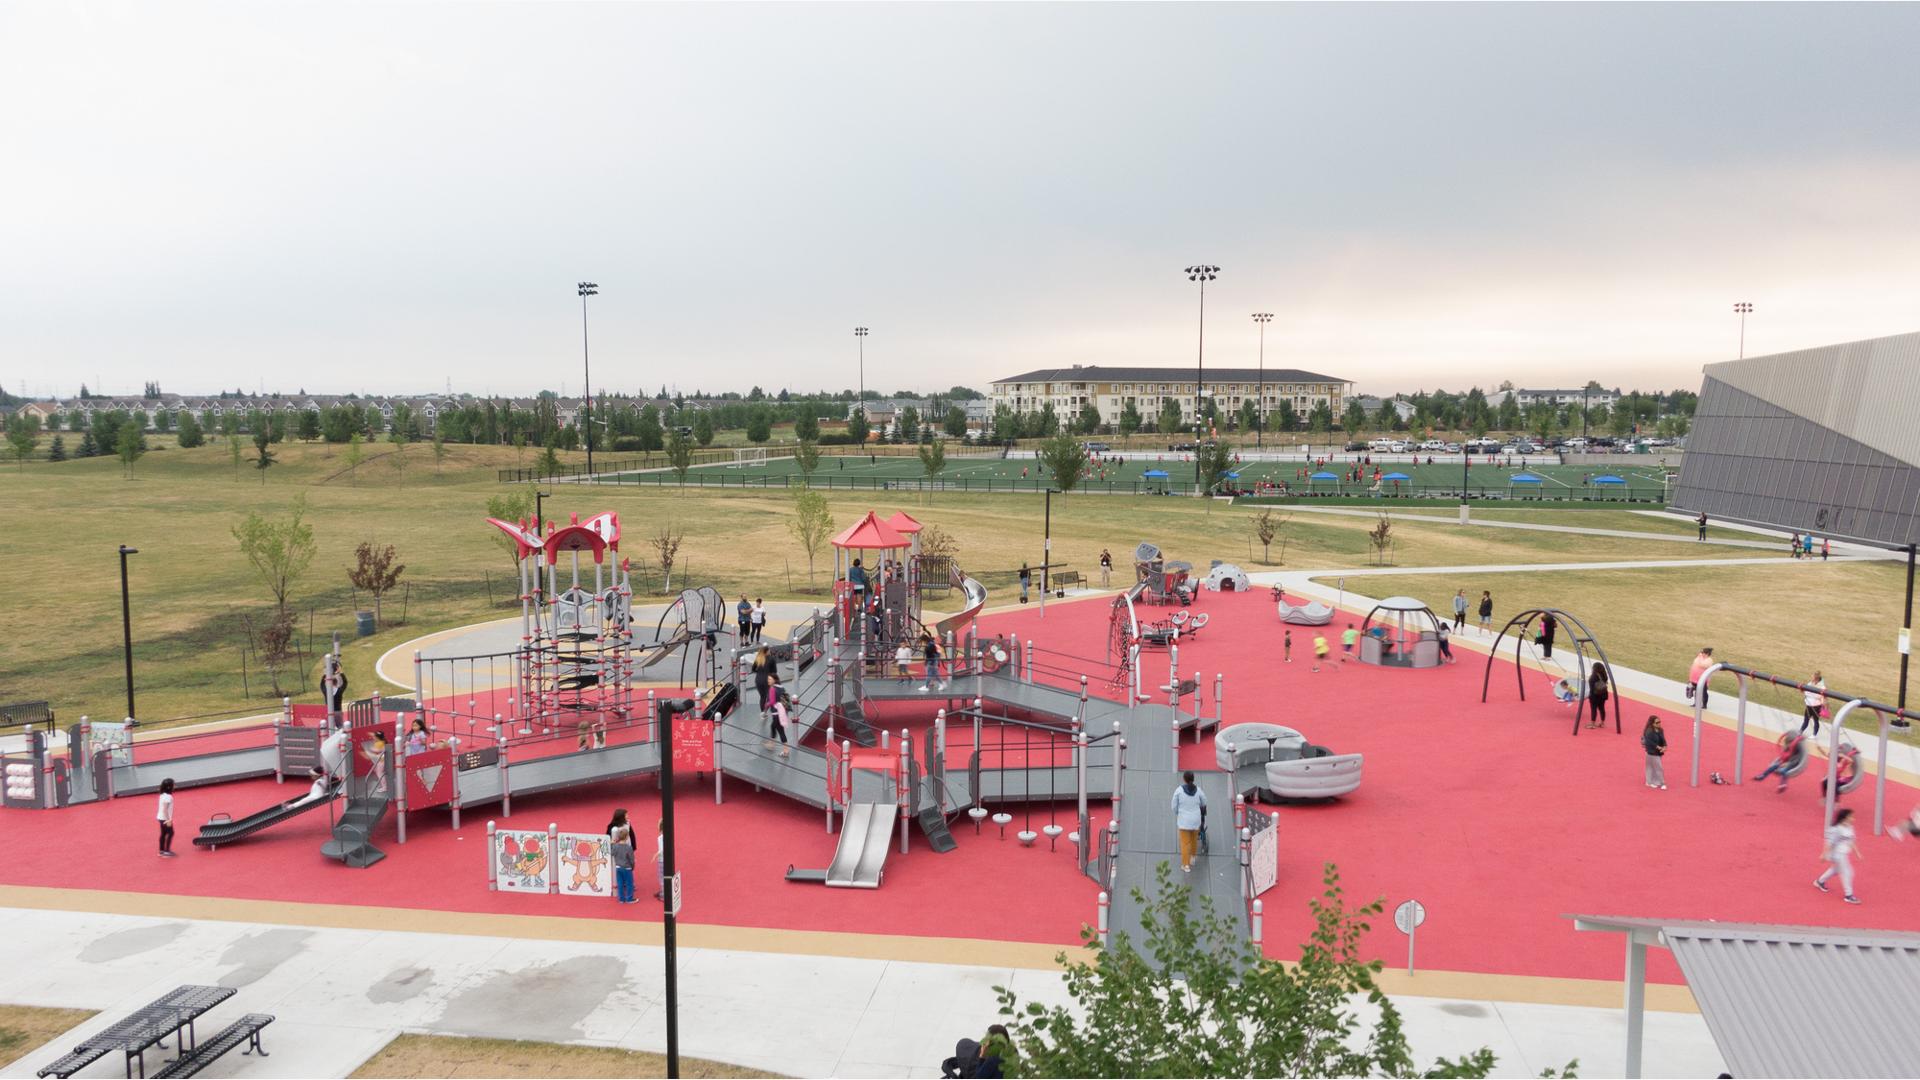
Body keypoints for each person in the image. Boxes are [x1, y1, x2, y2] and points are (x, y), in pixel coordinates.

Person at [1816, 807, 1862, 904]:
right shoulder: (1836, 829)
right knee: (1847, 873)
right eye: (1851, 817)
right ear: (1844, 818)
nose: (1853, 819)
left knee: (1836, 870)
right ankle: (1848, 895)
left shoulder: (1850, 827)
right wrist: (1823, 854)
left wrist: (1857, 852)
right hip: (1837, 854)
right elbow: (1829, 843)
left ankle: (1820, 881)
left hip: (1843, 853)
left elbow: (1851, 840)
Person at [1171, 771, 1207, 873]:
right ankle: (1193, 858)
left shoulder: (1179, 791)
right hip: (1196, 820)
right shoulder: (1198, 790)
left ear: (1184, 779)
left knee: (1185, 843)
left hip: (1183, 821)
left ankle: (1185, 865)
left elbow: (1174, 805)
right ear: (1193, 779)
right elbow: (1204, 801)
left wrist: (1178, 812)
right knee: (1194, 840)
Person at [610, 821, 636, 904]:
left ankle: (621, 899)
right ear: (627, 837)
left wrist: (612, 844)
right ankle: (629, 899)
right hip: (627, 868)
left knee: (620, 883)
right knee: (629, 884)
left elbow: (612, 853)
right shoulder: (628, 848)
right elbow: (631, 859)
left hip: (618, 867)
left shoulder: (616, 846)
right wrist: (632, 866)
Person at [764, 674, 791, 756]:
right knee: (773, 726)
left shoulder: (772, 689)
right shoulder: (781, 687)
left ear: (774, 680)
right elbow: (785, 699)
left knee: (781, 731)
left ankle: (786, 750)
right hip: (781, 712)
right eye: (768, 679)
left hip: (776, 713)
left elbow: (772, 702)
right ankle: (771, 743)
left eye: (770, 679)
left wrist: (766, 705)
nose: (768, 681)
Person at [1641, 715, 1667, 789]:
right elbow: (1650, 743)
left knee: (1651, 767)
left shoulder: (1660, 730)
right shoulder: (1649, 732)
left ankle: (1650, 781)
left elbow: (1663, 739)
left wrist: (1665, 746)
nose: (1659, 723)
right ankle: (1661, 783)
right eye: (1657, 722)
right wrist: (1659, 747)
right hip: (1651, 752)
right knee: (1658, 767)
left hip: (1658, 752)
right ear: (1652, 723)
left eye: (1659, 722)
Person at [1801, 672, 1827, 737]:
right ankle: (1800, 732)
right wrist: (1803, 691)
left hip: (1816, 707)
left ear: (1816, 679)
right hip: (1809, 706)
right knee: (1806, 720)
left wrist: (1824, 706)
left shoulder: (1822, 687)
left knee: (1816, 720)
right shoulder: (1809, 684)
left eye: (1812, 677)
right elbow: (1806, 693)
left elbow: (1821, 697)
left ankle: (1814, 734)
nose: (1811, 678)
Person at [157, 777, 176, 858]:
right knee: (171, 833)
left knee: (163, 834)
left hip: (160, 817)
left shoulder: (162, 795)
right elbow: (165, 809)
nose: (174, 786)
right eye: (173, 785)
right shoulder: (168, 797)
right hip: (165, 819)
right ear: (169, 787)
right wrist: (168, 820)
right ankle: (166, 851)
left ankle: (161, 850)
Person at [751, 646, 775, 710]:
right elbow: (774, 671)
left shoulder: (758, 658)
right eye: (769, 650)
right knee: (769, 696)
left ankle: (762, 712)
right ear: (767, 651)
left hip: (758, 680)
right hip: (767, 680)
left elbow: (753, 669)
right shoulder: (771, 659)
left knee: (762, 697)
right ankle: (766, 709)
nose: (770, 651)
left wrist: (759, 672)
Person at [1586, 662, 1609, 728]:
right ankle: (1602, 722)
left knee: (1593, 709)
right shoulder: (1604, 675)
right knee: (1602, 708)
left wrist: (1590, 696)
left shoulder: (1593, 677)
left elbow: (1591, 688)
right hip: (1603, 694)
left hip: (1595, 695)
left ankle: (1593, 723)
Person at [653, 818, 666, 901]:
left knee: (662, 877)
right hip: (667, 859)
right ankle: (663, 891)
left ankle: (664, 894)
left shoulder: (660, 837)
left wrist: (655, 855)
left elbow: (661, 849)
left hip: (662, 860)